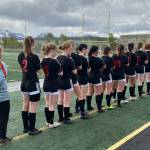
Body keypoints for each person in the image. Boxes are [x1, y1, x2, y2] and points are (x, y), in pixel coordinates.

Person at [18, 36, 41, 135]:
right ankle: (32, 129)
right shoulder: (34, 56)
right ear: (32, 44)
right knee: (33, 106)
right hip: (32, 83)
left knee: (25, 105)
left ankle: (26, 128)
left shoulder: (20, 55)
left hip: (24, 82)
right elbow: (38, 70)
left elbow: (22, 67)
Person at [41, 43, 61, 128]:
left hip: (46, 83)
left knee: (47, 103)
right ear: (51, 50)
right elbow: (60, 72)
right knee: (52, 104)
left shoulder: (42, 60)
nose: (56, 52)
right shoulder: (54, 61)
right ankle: (51, 123)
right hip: (53, 84)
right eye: (55, 50)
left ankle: (48, 121)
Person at [57, 42, 76, 124]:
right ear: (66, 49)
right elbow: (74, 72)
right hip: (66, 81)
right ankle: (66, 119)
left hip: (59, 81)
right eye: (71, 49)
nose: (71, 51)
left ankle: (60, 118)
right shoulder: (69, 59)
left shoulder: (57, 57)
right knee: (67, 100)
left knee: (60, 100)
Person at [87, 46, 105, 113]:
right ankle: (99, 108)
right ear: (95, 51)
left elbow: (88, 68)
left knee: (90, 92)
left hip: (90, 77)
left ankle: (88, 106)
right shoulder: (98, 59)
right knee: (98, 93)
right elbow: (103, 67)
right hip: (97, 76)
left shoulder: (88, 58)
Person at [0, 46, 12, 144]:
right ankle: (2, 137)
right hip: (2, 97)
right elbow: (2, 80)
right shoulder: (2, 64)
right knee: (3, 117)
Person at [76, 44, 90, 119]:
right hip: (83, 78)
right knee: (83, 96)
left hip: (79, 78)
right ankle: (82, 112)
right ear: (84, 49)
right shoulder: (83, 58)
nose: (87, 50)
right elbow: (86, 70)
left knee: (80, 96)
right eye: (87, 49)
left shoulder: (77, 57)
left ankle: (79, 109)